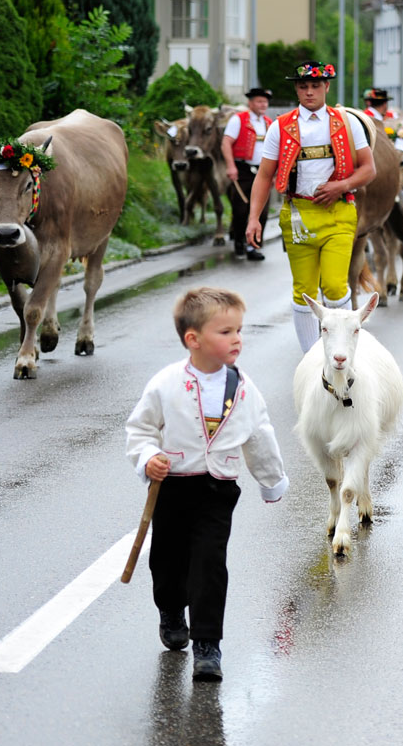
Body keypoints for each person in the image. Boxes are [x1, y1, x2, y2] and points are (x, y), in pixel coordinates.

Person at [124, 287, 288, 682]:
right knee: (166, 562)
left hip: (218, 491)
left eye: (238, 330)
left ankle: (207, 645)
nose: (237, 339)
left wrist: (271, 481)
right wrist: (149, 458)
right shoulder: (165, 383)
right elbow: (140, 429)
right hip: (173, 488)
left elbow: (259, 434)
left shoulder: (244, 388)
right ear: (193, 340)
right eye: (226, 332)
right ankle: (169, 609)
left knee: (209, 565)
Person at [245, 62, 377, 352]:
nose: (309, 92)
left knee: (333, 286)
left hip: (339, 212)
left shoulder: (348, 122)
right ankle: (311, 357)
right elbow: (265, 175)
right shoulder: (281, 126)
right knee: (303, 290)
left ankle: (341, 351)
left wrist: (340, 186)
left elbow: (369, 170)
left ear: (326, 87)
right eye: (303, 86)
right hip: (297, 215)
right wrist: (253, 218)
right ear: (296, 89)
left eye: (315, 85)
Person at [221, 87, 274, 261]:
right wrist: (230, 167)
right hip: (243, 171)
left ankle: (254, 246)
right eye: (259, 101)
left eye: (265, 102)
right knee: (241, 209)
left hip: (263, 171)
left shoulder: (269, 123)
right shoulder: (238, 120)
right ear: (250, 103)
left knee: (263, 211)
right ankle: (239, 242)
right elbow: (226, 143)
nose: (263, 104)